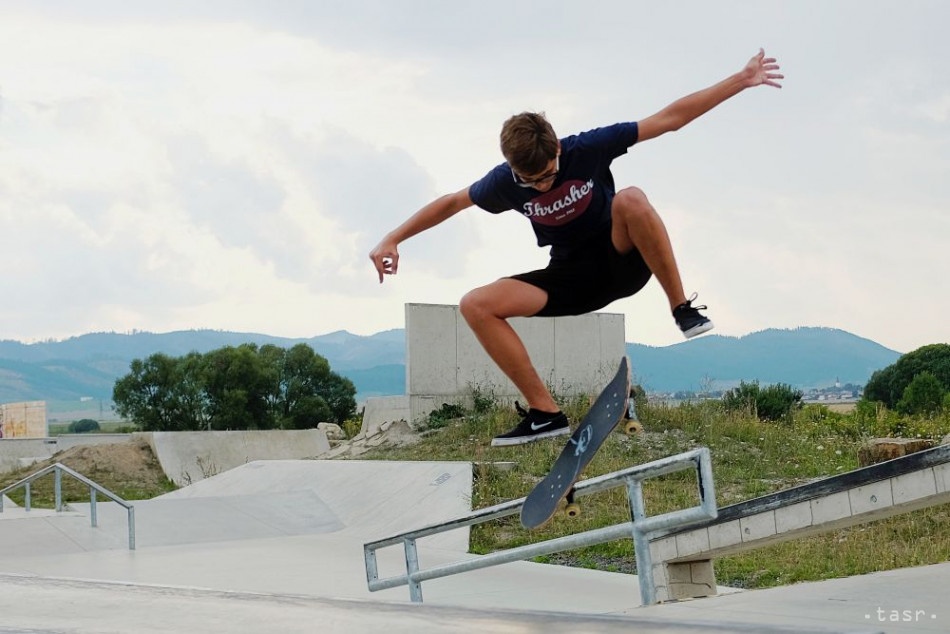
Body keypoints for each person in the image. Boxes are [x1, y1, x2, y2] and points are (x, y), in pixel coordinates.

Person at [370, 49, 783, 447]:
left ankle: (681, 309)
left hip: (622, 258)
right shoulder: (502, 182)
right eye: (531, 182)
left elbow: (669, 120)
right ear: (514, 169)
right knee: (475, 303)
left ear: (558, 150)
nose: (543, 186)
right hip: (569, 277)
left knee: (631, 198)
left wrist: (741, 80)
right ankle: (545, 413)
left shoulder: (588, 147)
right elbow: (452, 202)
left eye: (549, 174)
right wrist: (393, 237)